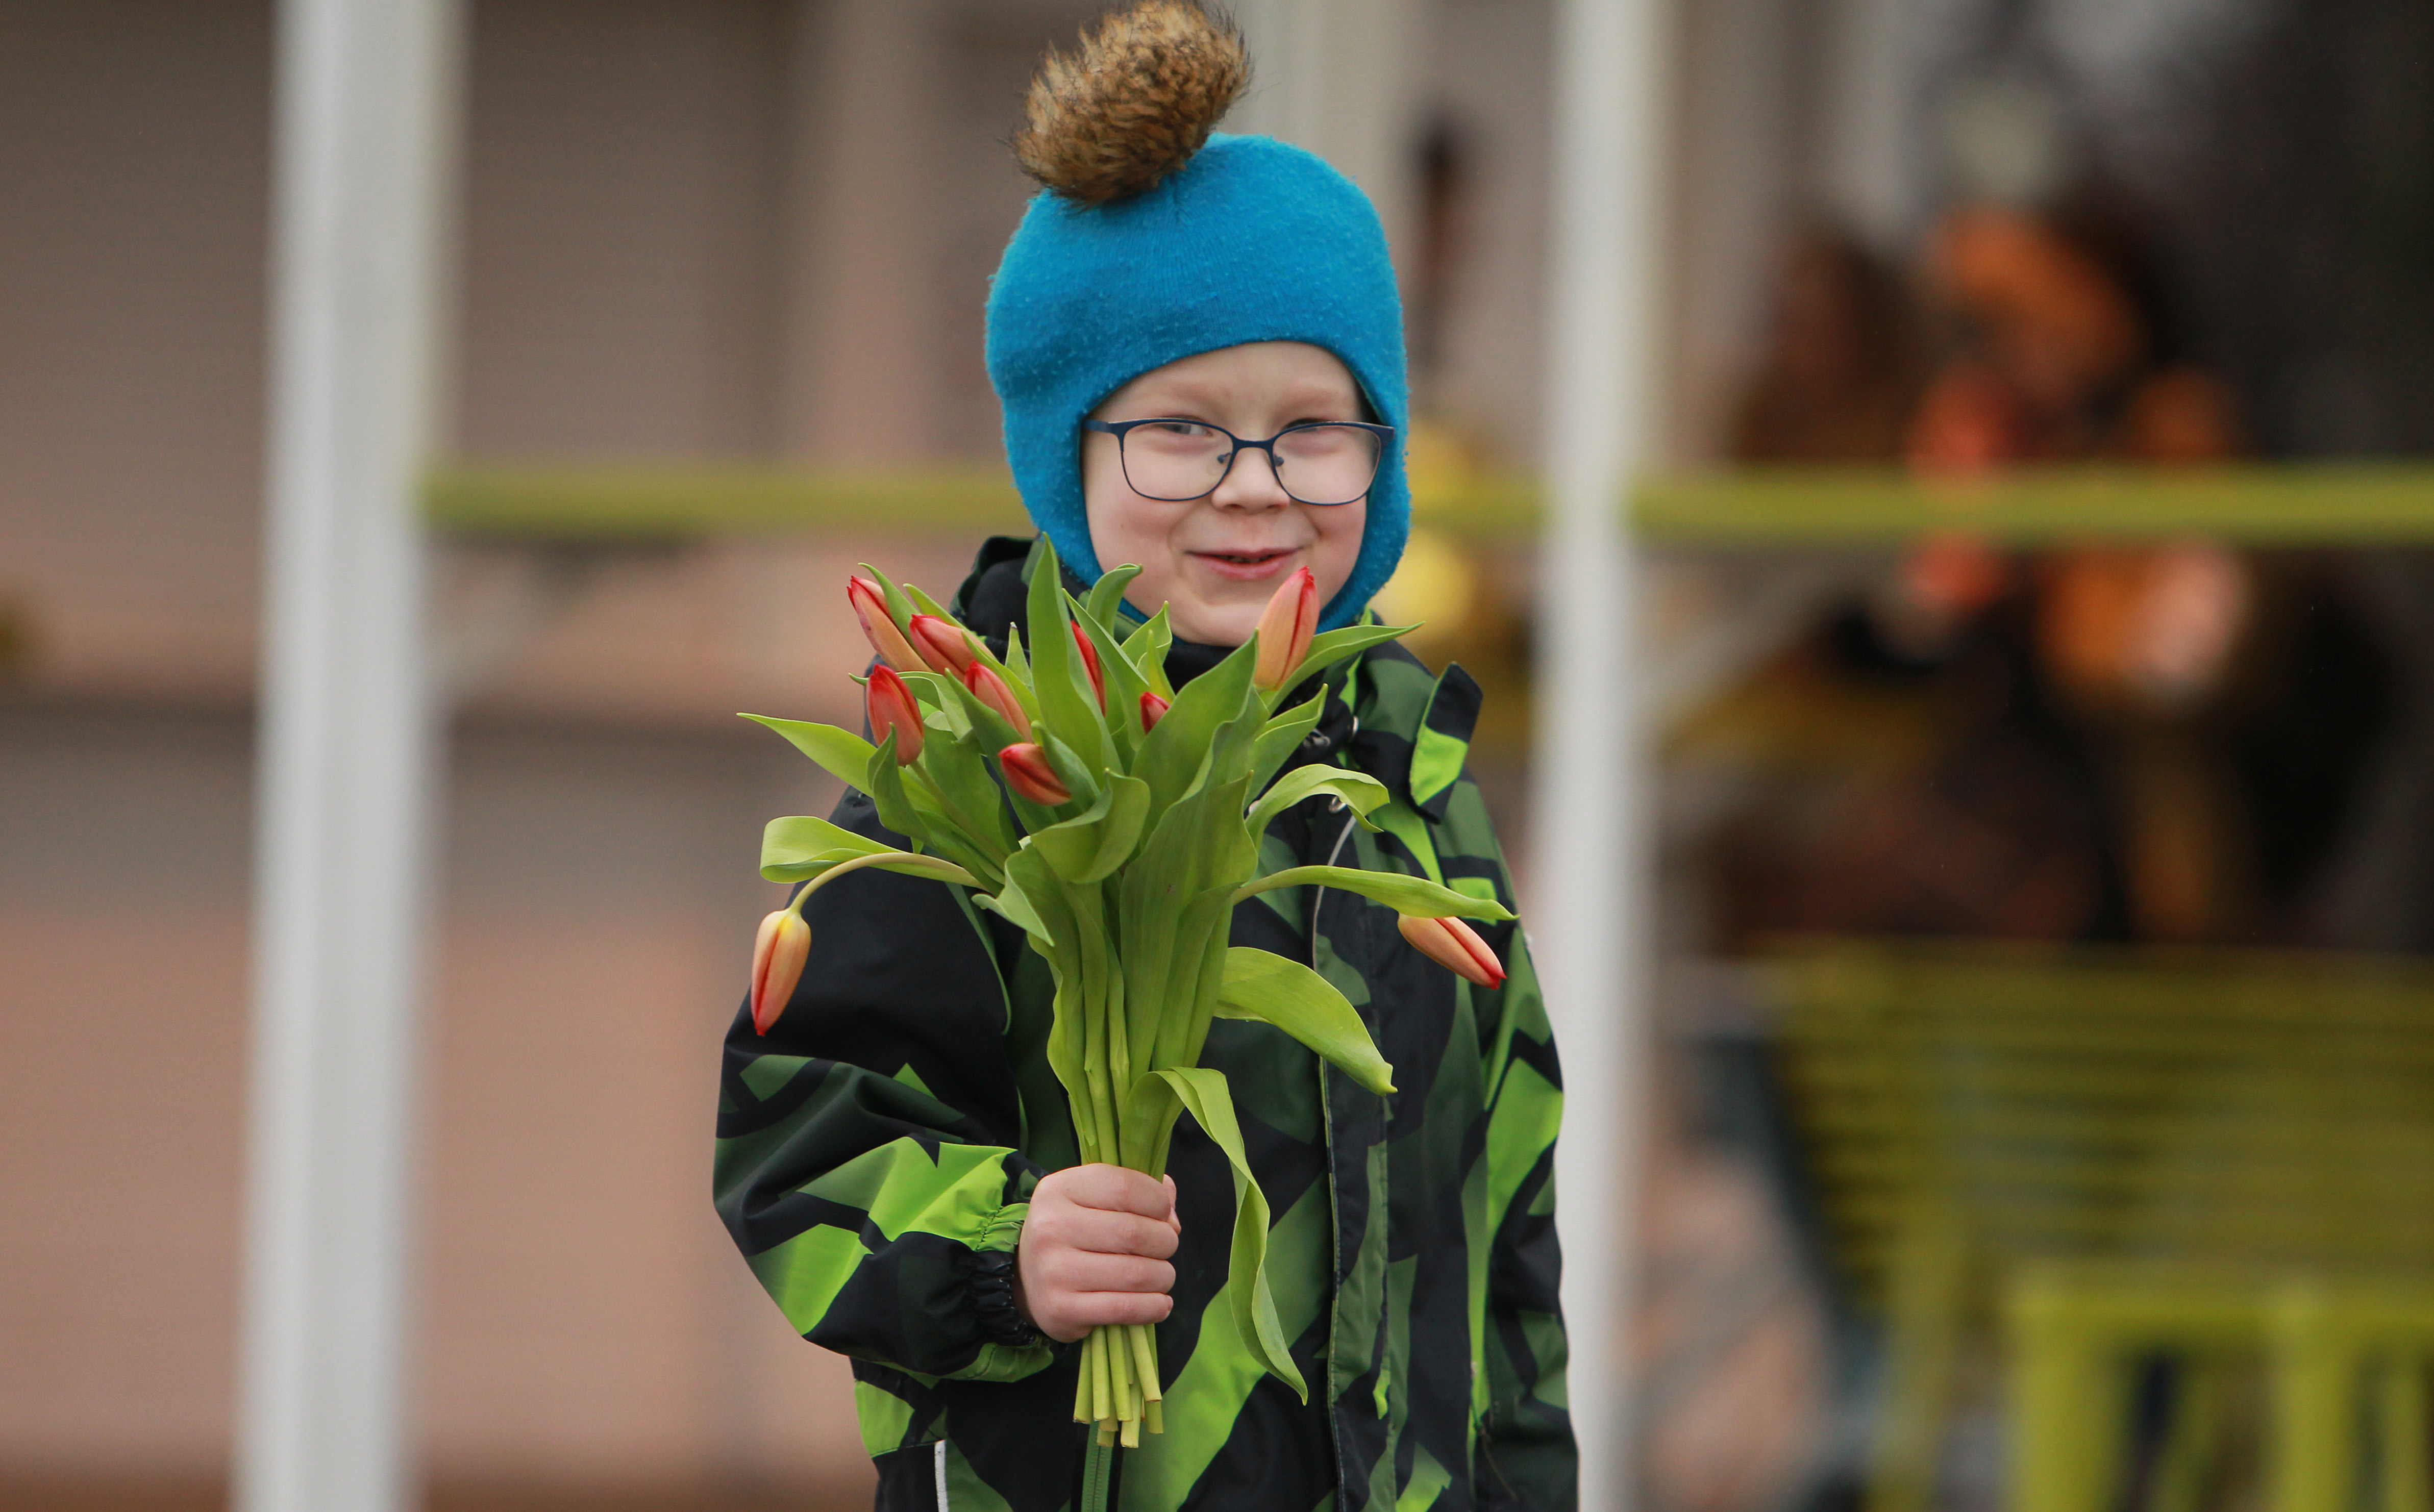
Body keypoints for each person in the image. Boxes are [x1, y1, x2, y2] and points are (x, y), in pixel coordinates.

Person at [711, 5, 1575, 1511]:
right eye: (1178, 431)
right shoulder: (974, 781)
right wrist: (1000, 1252)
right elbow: (799, 1130)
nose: (1253, 491)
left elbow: (1501, 1231)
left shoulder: (1405, 788)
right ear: (1072, 456)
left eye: (1314, 430)